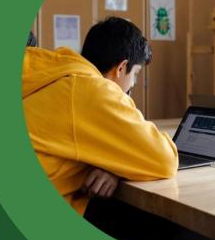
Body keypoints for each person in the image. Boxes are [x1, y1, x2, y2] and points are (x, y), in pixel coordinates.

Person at [21, 17, 178, 215]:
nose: (134, 84)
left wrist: (115, 165)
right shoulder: (93, 90)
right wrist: (123, 162)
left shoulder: (57, 70)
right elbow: (165, 160)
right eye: (136, 74)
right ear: (121, 68)